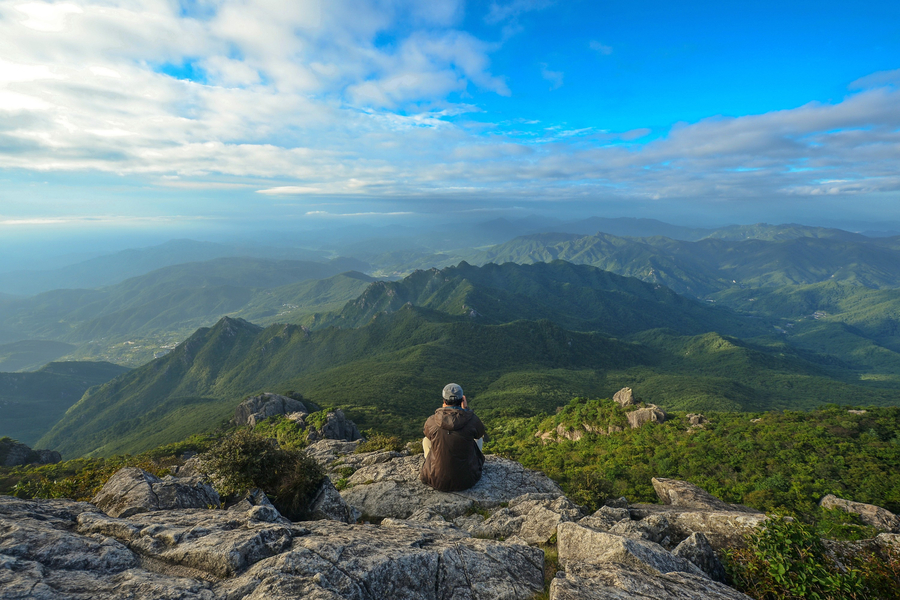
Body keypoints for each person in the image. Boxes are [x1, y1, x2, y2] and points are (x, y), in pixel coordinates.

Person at [420, 383, 486, 492]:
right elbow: (480, 433)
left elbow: (427, 433)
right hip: (467, 480)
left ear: (444, 400)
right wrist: (466, 410)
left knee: (426, 440)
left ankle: (435, 465)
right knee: (479, 438)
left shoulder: (432, 420)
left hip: (436, 480)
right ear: (462, 400)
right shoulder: (472, 420)